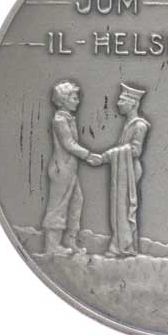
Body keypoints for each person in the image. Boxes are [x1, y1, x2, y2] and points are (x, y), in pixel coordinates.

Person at [42, 80, 102, 255]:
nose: (78, 101)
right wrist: (88, 155)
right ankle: (52, 246)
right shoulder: (60, 120)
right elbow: (68, 143)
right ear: (63, 100)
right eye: (74, 98)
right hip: (61, 169)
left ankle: (70, 240)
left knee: (76, 202)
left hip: (70, 169)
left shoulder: (67, 118)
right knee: (58, 205)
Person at [101, 83, 150, 257]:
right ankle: (120, 244)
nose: (118, 103)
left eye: (122, 100)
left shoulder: (140, 126)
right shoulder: (128, 123)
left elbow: (135, 150)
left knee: (124, 208)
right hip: (122, 168)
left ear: (133, 103)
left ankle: (125, 246)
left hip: (129, 170)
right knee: (119, 207)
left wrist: (109, 154)